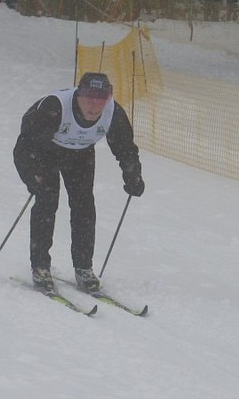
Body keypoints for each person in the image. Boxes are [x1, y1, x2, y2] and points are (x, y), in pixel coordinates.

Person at [13, 72, 145, 293]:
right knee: (47, 201)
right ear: (78, 95)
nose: (94, 106)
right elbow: (25, 145)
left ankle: (84, 267)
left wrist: (133, 175)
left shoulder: (113, 112)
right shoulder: (55, 107)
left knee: (84, 205)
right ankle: (40, 266)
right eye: (89, 99)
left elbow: (125, 148)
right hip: (44, 151)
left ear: (109, 97)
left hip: (80, 154)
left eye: (100, 99)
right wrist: (32, 173)